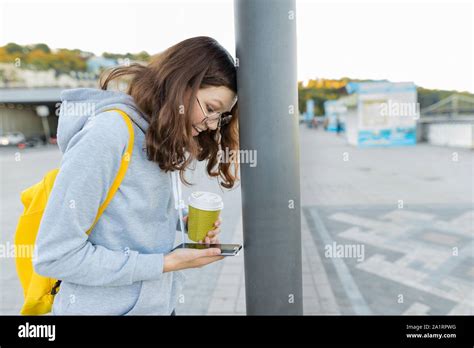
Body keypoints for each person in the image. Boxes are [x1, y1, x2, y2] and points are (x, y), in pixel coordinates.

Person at [33, 36, 239, 315]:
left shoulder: (156, 136)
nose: (212, 125)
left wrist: (183, 223)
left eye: (221, 116)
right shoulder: (108, 134)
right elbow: (55, 256)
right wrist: (166, 263)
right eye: (211, 108)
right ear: (181, 86)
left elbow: (124, 217)